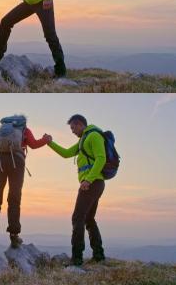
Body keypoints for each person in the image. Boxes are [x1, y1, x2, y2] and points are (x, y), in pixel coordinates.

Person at [0, 115, 50, 248]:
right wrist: (46, 139)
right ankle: (14, 237)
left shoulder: (1, 132)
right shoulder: (24, 130)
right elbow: (34, 145)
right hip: (17, 163)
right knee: (14, 199)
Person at [46, 114, 107, 266]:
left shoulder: (93, 136)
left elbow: (101, 158)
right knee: (88, 218)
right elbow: (66, 154)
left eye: (73, 127)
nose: (72, 131)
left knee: (77, 218)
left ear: (80, 124)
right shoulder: (82, 141)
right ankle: (98, 255)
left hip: (92, 183)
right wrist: (50, 143)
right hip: (95, 183)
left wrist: (88, 179)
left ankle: (77, 258)